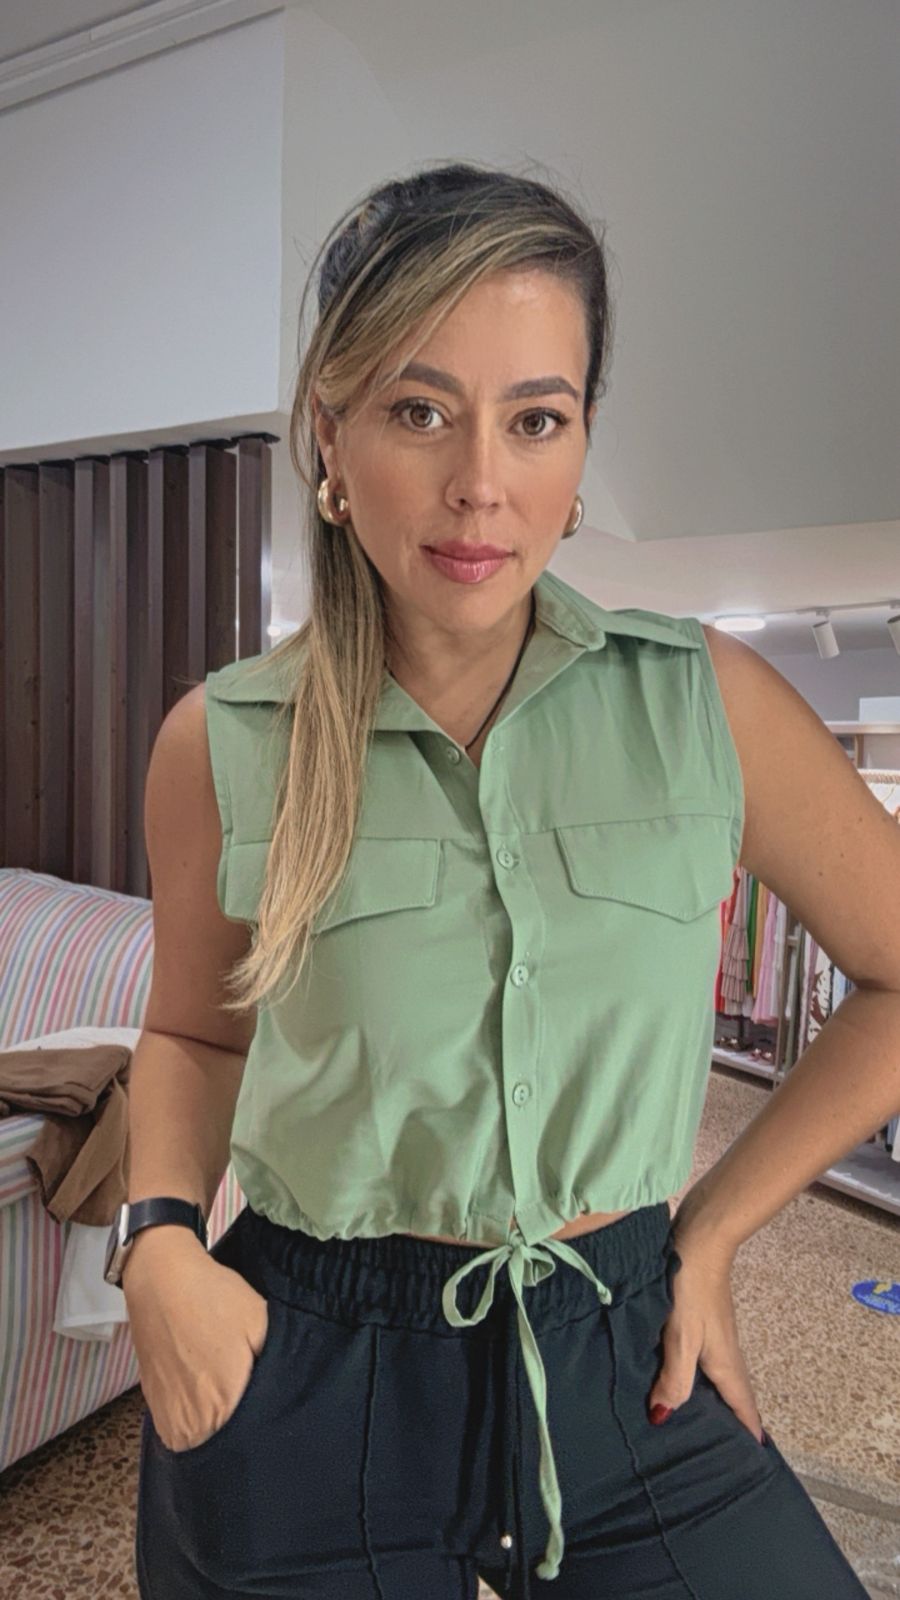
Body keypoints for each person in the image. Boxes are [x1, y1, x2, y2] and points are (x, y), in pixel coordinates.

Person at [122, 162, 898, 1599]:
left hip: (628, 1344)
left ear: (581, 443)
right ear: (330, 434)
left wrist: (714, 1233)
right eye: (420, 411)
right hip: (310, 1365)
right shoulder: (222, 743)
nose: (482, 482)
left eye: (535, 418)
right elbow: (191, 1035)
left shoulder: (705, 705)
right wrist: (160, 1241)